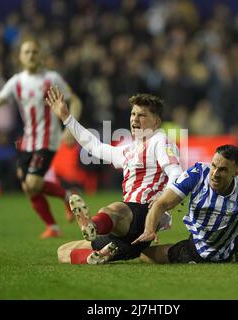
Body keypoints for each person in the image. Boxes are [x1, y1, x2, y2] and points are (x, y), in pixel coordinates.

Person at [45, 86, 183, 264]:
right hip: (126, 232)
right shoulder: (128, 150)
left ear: (156, 122)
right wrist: (66, 117)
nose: (135, 119)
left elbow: (176, 173)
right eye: (133, 114)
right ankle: (101, 254)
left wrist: (163, 202)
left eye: (142, 115)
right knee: (63, 252)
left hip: (144, 214)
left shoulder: (160, 141)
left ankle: (91, 225)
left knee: (114, 210)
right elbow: (94, 146)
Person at [0, 39, 82, 239]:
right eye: (27, 52)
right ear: (20, 57)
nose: (31, 55)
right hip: (28, 140)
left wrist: (71, 128)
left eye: (35, 52)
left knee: (33, 181)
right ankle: (53, 226)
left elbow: (76, 101)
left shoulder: (51, 78)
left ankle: (67, 196)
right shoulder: (16, 82)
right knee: (28, 187)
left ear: (41, 56)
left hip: (48, 138)